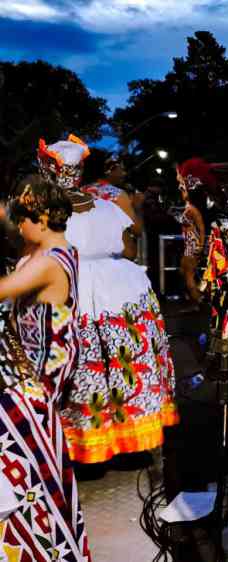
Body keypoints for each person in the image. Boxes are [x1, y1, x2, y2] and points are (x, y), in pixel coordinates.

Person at [37, 135, 178, 464]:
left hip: (69, 286)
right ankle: (129, 446)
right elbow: (129, 250)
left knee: (83, 370)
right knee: (123, 366)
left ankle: (86, 450)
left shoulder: (42, 212)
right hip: (121, 289)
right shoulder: (105, 206)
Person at [0, 177, 91, 560]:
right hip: (29, 370)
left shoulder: (51, 261)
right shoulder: (43, 250)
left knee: (20, 451)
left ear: (39, 217)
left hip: (39, 378)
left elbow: (3, 289)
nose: (17, 226)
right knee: (28, 458)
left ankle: (38, 543)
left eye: (22, 218)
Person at [176, 158, 215, 304]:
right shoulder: (189, 208)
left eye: (183, 189)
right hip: (189, 246)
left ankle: (198, 302)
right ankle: (198, 298)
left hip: (192, 246)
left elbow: (202, 227)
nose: (180, 191)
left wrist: (200, 246)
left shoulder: (192, 209)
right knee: (184, 272)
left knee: (188, 275)